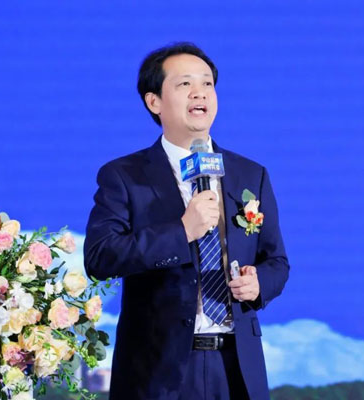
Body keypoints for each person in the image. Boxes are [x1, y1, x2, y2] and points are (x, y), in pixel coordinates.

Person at [84, 42, 289, 400]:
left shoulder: (250, 174)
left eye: (207, 83)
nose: (200, 93)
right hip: (158, 371)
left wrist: (258, 284)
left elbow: (277, 262)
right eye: (184, 84)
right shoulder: (124, 175)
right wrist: (181, 232)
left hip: (236, 366)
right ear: (154, 102)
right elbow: (100, 257)